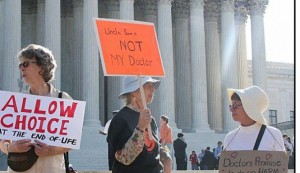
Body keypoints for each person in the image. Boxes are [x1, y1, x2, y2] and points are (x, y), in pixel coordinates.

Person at [0, 44, 72, 173]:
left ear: (42, 67)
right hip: (20, 169)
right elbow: (2, 142)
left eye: (26, 64)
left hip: (51, 169)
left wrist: (51, 150)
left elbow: (70, 142)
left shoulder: (63, 99)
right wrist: (11, 147)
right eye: (20, 65)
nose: (21, 68)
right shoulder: (16, 102)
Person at [107, 76, 162, 173]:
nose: (153, 89)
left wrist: (165, 157)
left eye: (153, 86)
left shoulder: (151, 119)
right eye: (147, 85)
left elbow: (153, 152)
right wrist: (140, 128)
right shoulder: (120, 119)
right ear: (133, 92)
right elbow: (124, 158)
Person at [224, 85, 285, 151]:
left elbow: (281, 160)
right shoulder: (230, 138)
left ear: (249, 108)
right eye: (231, 105)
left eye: (235, 105)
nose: (231, 109)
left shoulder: (273, 134)